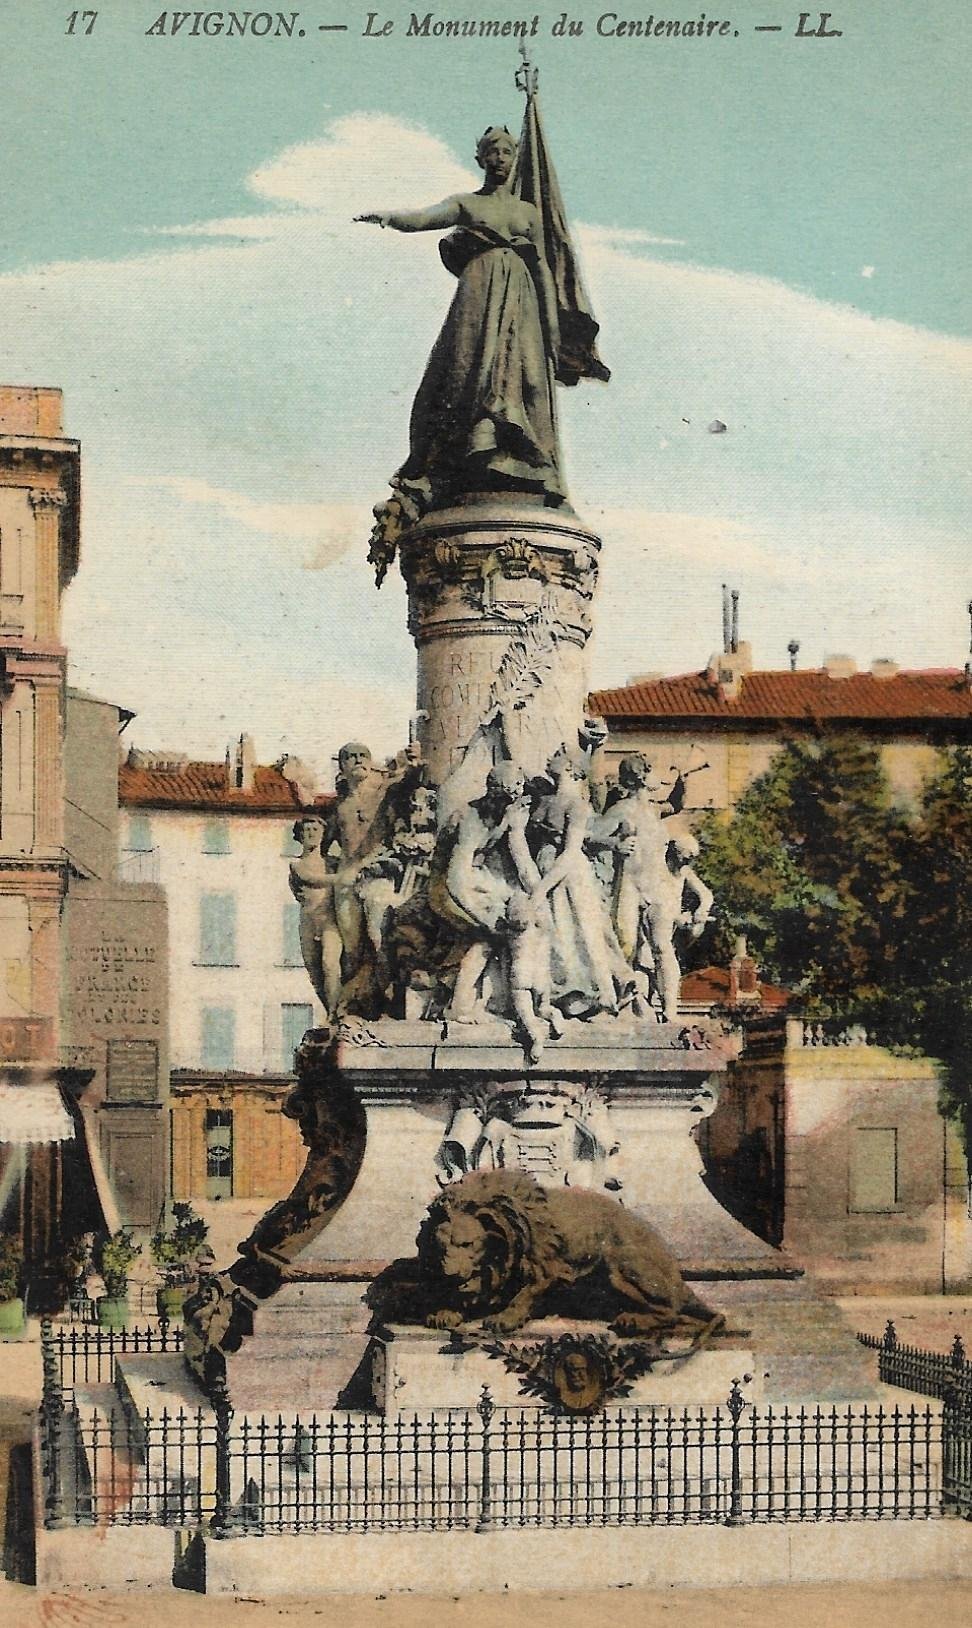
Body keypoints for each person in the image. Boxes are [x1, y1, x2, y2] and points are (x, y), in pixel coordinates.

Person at [356, 126, 566, 567]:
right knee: (468, 371)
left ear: (515, 158)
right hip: (478, 294)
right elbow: (425, 217)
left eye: (507, 151)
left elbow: (544, 270)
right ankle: (474, 446)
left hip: (521, 301)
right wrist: (389, 217)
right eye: (492, 151)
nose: (500, 158)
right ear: (481, 159)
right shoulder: (468, 204)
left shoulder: (528, 213)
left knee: (522, 376)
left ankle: (514, 454)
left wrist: (552, 331)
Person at [288, 812, 341, 1017]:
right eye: (307, 830)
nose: (311, 834)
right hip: (308, 921)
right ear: (300, 835)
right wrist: (343, 878)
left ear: (323, 834)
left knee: (330, 963)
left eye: (316, 830)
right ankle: (329, 1011)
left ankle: (335, 1014)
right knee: (315, 973)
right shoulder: (296, 865)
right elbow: (311, 879)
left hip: (329, 919)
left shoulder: (332, 863)